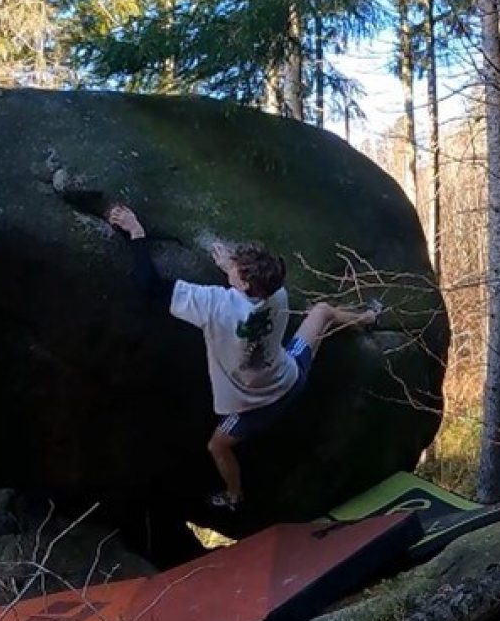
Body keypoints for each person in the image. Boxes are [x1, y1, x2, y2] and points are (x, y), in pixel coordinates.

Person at [107, 203, 379, 511]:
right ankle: (368, 318)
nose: (230, 265)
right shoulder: (277, 295)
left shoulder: (215, 306)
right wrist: (231, 269)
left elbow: (150, 286)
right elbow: (250, 293)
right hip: (291, 376)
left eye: (236, 267)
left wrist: (136, 232)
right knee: (323, 312)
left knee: (217, 446)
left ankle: (234, 495)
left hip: (254, 406)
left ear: (245, 283)